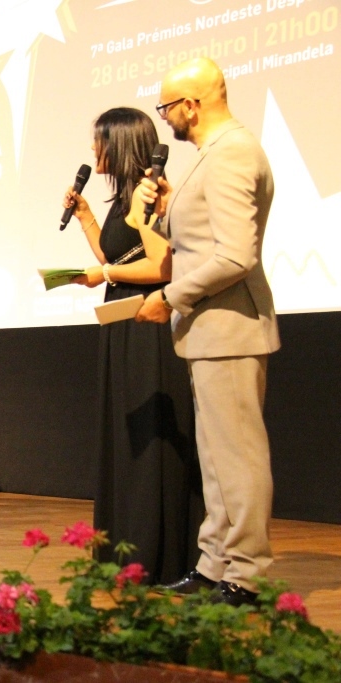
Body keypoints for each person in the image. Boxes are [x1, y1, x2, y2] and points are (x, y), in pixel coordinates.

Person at [136, 58, 278, 606]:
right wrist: (167, 207)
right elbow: (202, 237)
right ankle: (215, 563)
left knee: (236, 456)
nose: (165, 117)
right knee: (217, 457)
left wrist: (171, 296)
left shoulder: (233, 153)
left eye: (167, 107)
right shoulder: (212, 156)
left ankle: (246, 574)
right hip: (211, 330)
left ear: (192, 105)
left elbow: (235, 255)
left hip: (231, 326)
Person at [62, 108, 203, 583]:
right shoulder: (122, 197)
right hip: (121, 318)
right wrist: (84, 217)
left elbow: (163, 267)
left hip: (147, 321)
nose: (94, 152)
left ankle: (154, 554)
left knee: (148, 436)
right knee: (125, 433)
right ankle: (122, 551)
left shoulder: (150, 192)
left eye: (99, 142)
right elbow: (115, 256)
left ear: (119, 143)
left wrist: (106, 274)